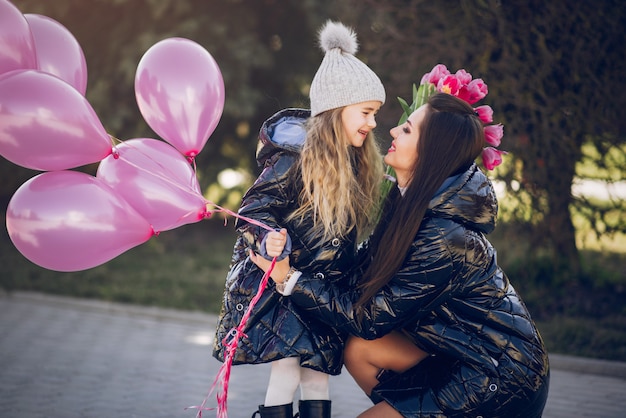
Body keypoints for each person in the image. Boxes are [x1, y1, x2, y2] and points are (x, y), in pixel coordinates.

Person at [251, 92, 550, 417]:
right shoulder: (409, 199)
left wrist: (291, 279)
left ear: (430, 152)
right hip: (457, 355)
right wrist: (308, 254)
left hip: (500, 378)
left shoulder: (444, 237)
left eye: (407, 130)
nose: (392, 131)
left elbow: (369, 318)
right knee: (359, 350)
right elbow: (364, 276)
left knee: (364, 338)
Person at [212, 21, 386, 418]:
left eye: (375, 113)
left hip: (319, 288)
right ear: (338, 110)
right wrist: (269, 237)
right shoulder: (295, 157)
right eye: (366, 112)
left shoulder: (354, 160)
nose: (373, 123)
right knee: (288, 371)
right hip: (284, 282)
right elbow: (254, 209)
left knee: (316, 375)